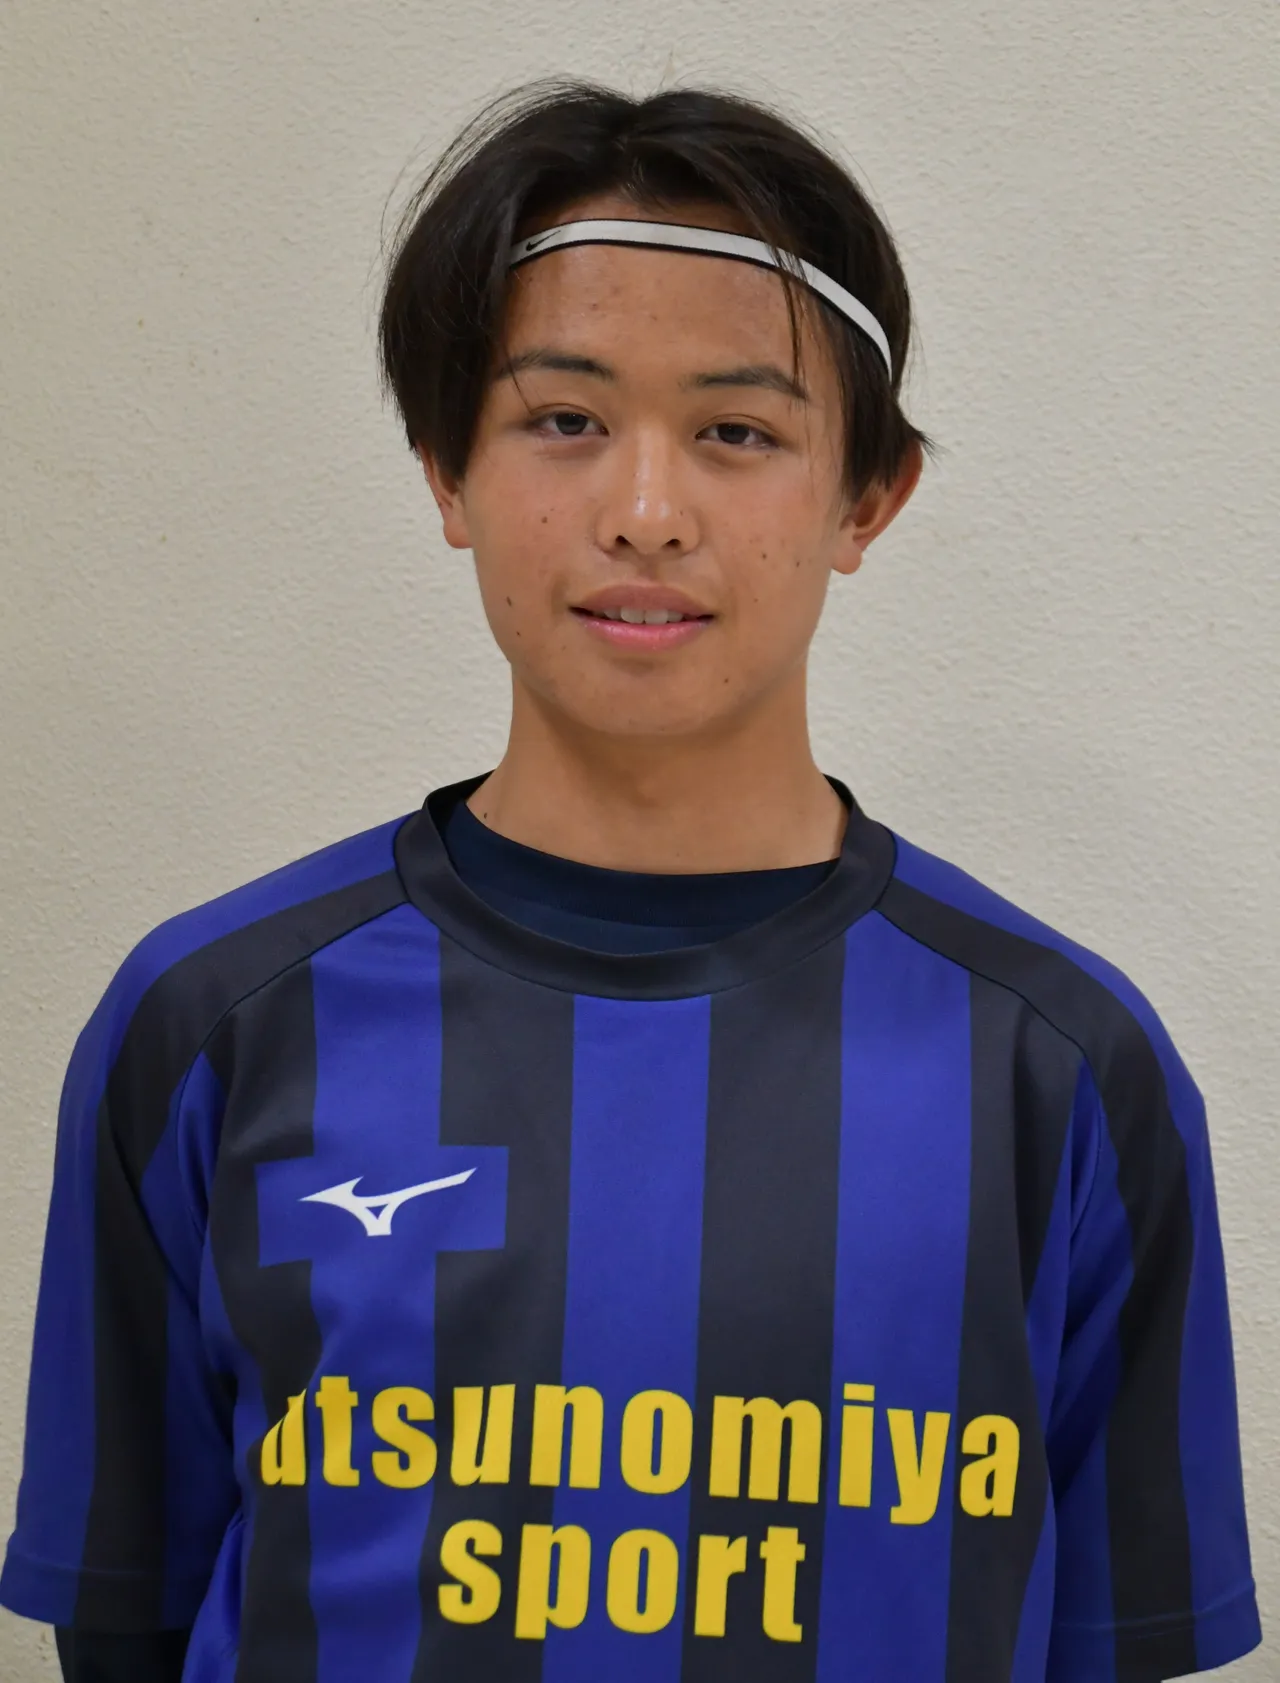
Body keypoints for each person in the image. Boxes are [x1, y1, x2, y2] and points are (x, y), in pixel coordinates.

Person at [0, 77, 1260, 1683]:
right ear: (446, 470)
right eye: (566, 421)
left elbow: (1114, 1644)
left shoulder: (1062, 1067)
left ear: (867, 497)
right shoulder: (209, 1024)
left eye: (737, 431)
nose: (646, 512)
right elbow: (126, 1618)